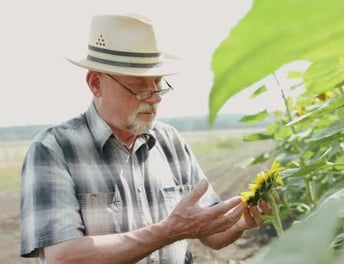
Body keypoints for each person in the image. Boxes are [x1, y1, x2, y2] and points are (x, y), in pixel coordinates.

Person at [20, 13, 269, 264]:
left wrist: (240, 221)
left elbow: (212, 234)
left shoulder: (170, 141)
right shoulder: (54, 149)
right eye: (139, 86)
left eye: (158, 83)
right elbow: (65, 257)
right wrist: (169, 230)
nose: (155, 98)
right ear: (96, 83)